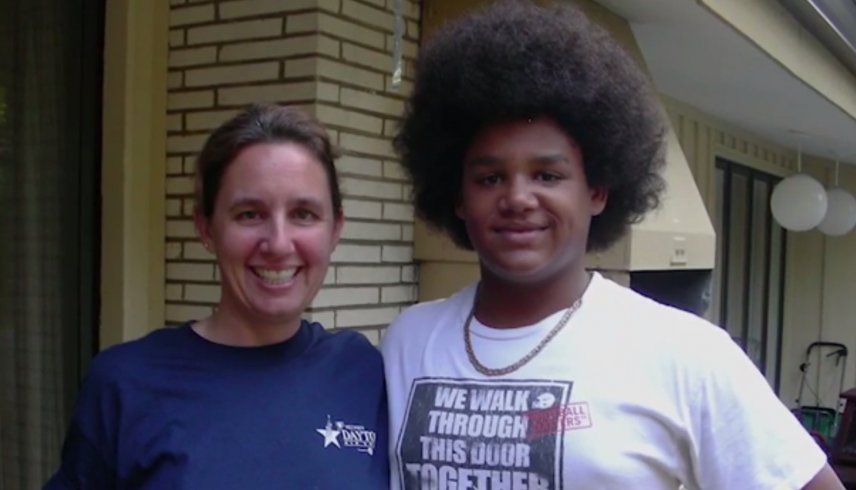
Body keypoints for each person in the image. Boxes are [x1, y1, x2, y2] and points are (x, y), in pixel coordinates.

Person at [380, 1, 844, 489]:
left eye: (548, 175)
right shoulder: (409, 340)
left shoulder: (685, 352)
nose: (518, 197)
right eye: (490, 177)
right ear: (457, 197)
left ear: (597, 190)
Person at [45, 104, 389, 489]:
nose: (277, 243)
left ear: (336, 229)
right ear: (206, 228)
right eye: (249, 214)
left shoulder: (362, 372)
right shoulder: (124, 384)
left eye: (304, 214)